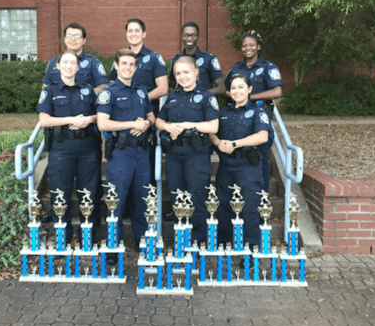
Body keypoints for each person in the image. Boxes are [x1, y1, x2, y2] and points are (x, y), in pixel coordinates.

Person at [96, 49, 156, 263]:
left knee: (142, 199)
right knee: (116, 200)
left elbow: (151, 117)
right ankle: (113, 249)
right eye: (124, 64)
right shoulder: (109, 92)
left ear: (136, 67)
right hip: (121, 153)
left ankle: (144, 243)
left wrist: (146, 124)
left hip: (142, 152)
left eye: (132, 64)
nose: (128, 67)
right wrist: (133, 124)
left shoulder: (141, 92)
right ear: (117, 66)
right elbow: (102, 123)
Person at [37, 52, 102, 244]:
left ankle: (87, 240)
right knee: (60, 195)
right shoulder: (50, 91)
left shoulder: (89, 90)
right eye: (65, 62)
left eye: (72, 63)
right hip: (61, 149)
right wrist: (71, 120)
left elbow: (102, 115)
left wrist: (88, 119)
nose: (68, 66)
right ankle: (62, 241)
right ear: (57, 66)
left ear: (78, 67)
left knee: (88, 194)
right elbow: (44, 120)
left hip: (88, 149)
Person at [155, 55, 220, 245]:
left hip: (196, 155)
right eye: (178, 73)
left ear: (196, 71)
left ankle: (197, 243)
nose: (182, 77)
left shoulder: (207, 97)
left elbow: (213, 127)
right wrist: (168, 127)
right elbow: (159, 120)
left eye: (186, 72)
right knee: (177, 198)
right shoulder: (173, 97)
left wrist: (186, 124)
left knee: (197, 198)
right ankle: (180, 242)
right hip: (175, 154)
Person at [110, 18, 168, 220]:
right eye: (130, 31)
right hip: (123, 126)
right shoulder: (121, 57)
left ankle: (144, 221)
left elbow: (163, 88)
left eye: (137, 30)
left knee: (145, 177)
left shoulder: (154, 58)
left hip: (145, 123)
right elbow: (113, 86)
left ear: (144, 34)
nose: (133, 34)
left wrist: (139, 100)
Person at [210, 74, 271, 250]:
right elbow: (212, 132)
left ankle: (250, 249)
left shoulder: (258, 112)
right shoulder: (223, 113)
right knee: (223, 207)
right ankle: (223, 246)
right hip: (226, 166)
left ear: (249, 89)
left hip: (248, 167)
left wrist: (236, 144)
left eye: (241, 87)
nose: (237, 91)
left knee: (250, 208)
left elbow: (262, 136)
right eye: (234, 88)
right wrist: (217, 142)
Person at [224, 30, 283, 193]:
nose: (248, 48)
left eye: (251, 45)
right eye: (244, 45)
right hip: (237, 121)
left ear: (258, 47)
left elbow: (277, 92)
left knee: (259, 162)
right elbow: (225, 90)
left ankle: (260, 200)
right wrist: (236, 95)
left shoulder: (268, 67)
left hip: (258, 121)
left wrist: (250, 96)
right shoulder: (236, 68)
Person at [43, 23, 108, 93]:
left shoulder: (93, 63)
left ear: (84, 41)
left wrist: (86, 95)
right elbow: (45, 87)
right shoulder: (53, 62)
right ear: (64, 39)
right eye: (69, 36)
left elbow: (103, 86)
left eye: (77, 36)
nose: (73, 39)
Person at [169, 22, 225, 97]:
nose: (189, 38)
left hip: (203, 105)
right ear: (181, 37)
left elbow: (221, 88)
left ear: (198, 37)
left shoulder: (209, 59)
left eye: (193, 35)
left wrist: (199, 96)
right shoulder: (176, 60)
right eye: (186, 35)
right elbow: (171, 87)